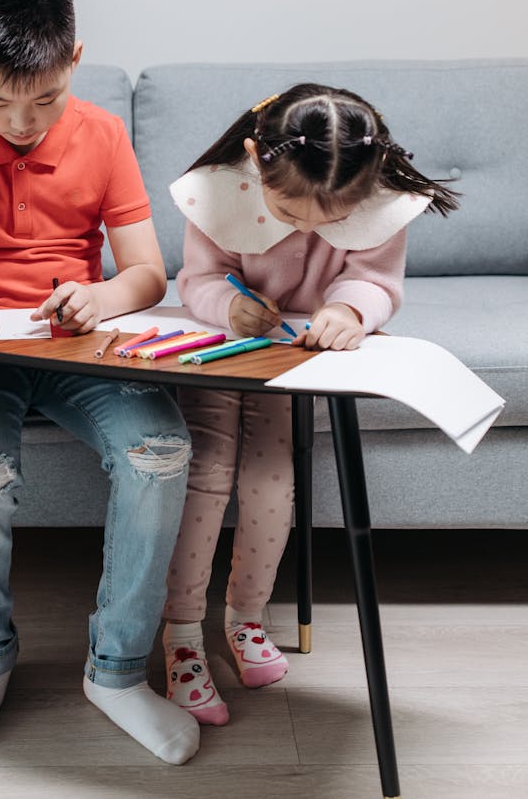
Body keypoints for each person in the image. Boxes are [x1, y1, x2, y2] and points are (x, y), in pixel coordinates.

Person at [0, 0, 199, 764]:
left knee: (162, 450)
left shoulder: (103, 135)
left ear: (75, 60)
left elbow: (146, 271)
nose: (20, 121)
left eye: (44, 99)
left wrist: (100, 298)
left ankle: (116, 673)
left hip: (80, 345)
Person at [162, 83, 458, 725]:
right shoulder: (220, 188)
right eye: (291, 211)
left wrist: (350, 308)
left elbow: (376, 280)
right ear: (255, 159)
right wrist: (227, 305)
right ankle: (182, 633)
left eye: (332, 219)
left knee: (274, 477)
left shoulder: (373, 193)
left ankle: (245, 619)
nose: (310, 228)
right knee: (205, 469)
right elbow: (198, 279)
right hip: (222, 344)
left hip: (293, 355)